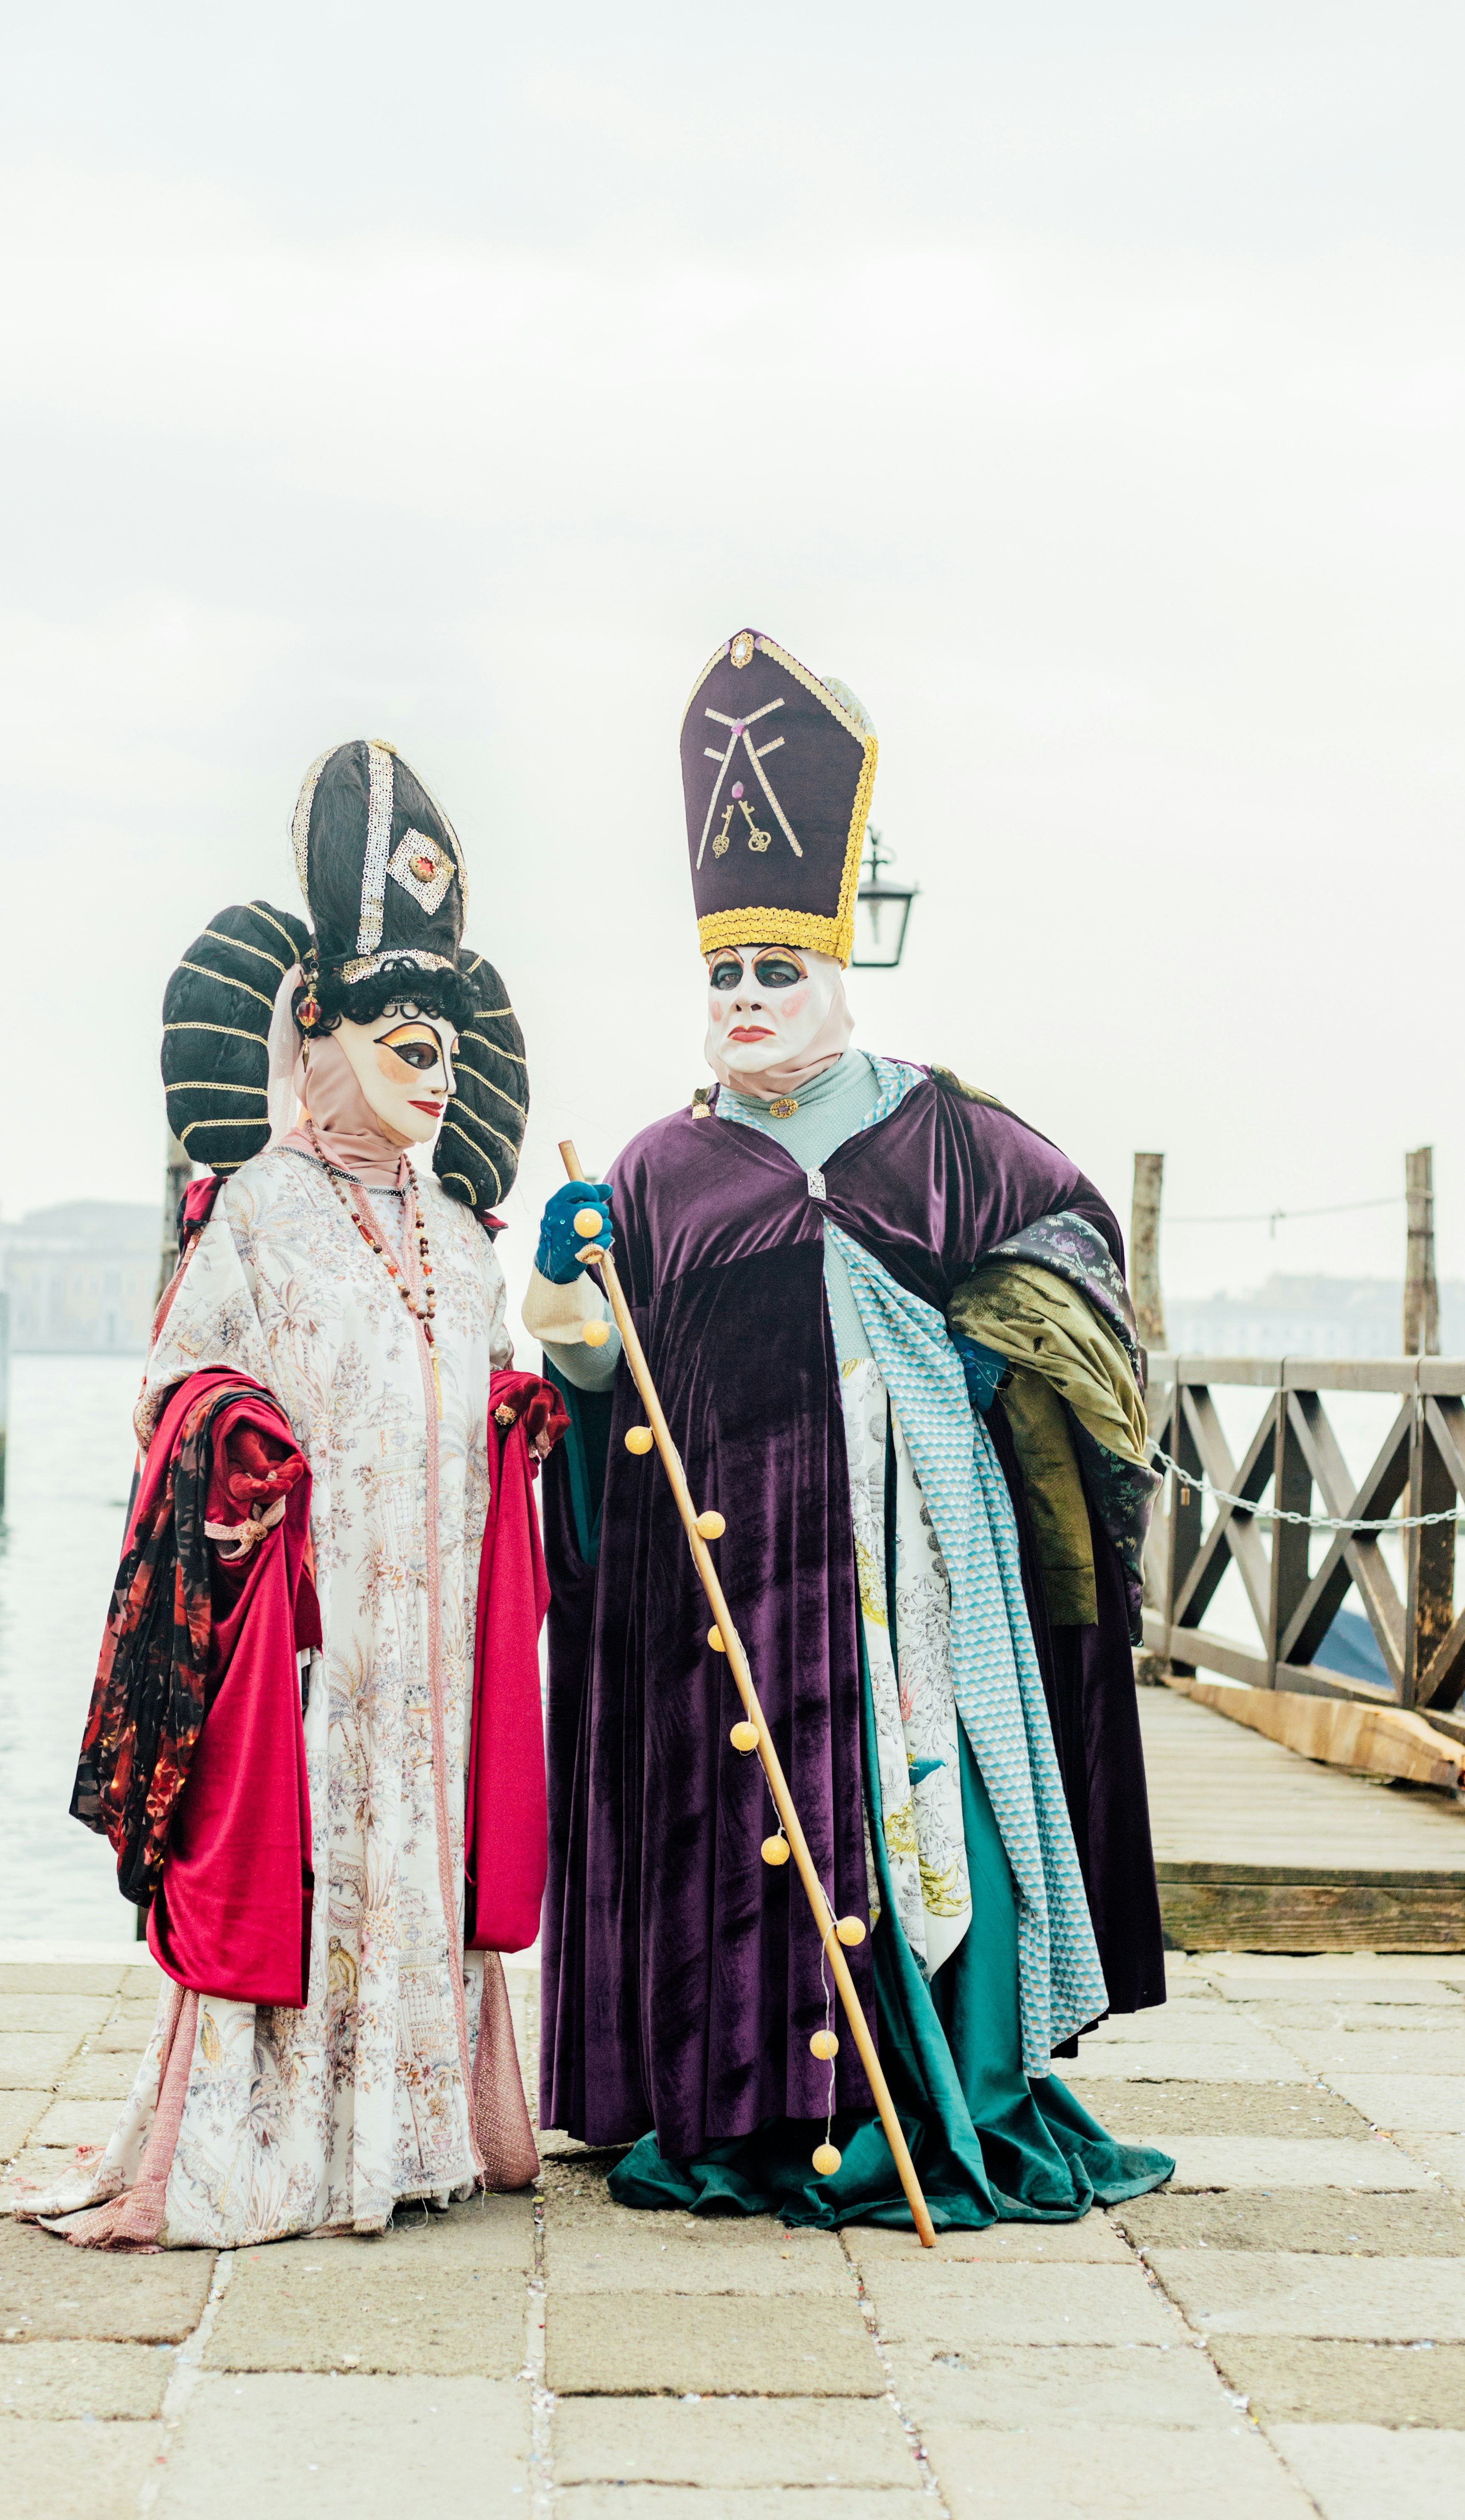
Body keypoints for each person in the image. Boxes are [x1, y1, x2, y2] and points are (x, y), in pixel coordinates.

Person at [525, 625, 1172, 2229]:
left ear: (837, 966)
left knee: (918, 1808)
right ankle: (746, 2109)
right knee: (736, 1830)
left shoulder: (950, 1134)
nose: (745, 999)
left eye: (775, 971)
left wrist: (978, 1374)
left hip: (914, 1582)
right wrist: (570, 1319)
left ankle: (941, 2091)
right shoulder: (656, 1172)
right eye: (724, 975)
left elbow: (1079, 1278)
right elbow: (605, 1400)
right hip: (722, 1596)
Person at [30, 737, 556, 2248]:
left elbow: (487, 1384)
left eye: (441, 1023)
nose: (427, 1047)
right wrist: (234, 1430)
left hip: (439, 1636)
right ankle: (273, 2149)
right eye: (395, 1020)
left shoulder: (465, 1238)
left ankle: (414, 2134)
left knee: (426, 1853)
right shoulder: (254, 1212)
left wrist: (525, 1414)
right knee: (311, 1861)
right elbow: (171, 1383)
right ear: (316, 1035)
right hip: (315, 1641)